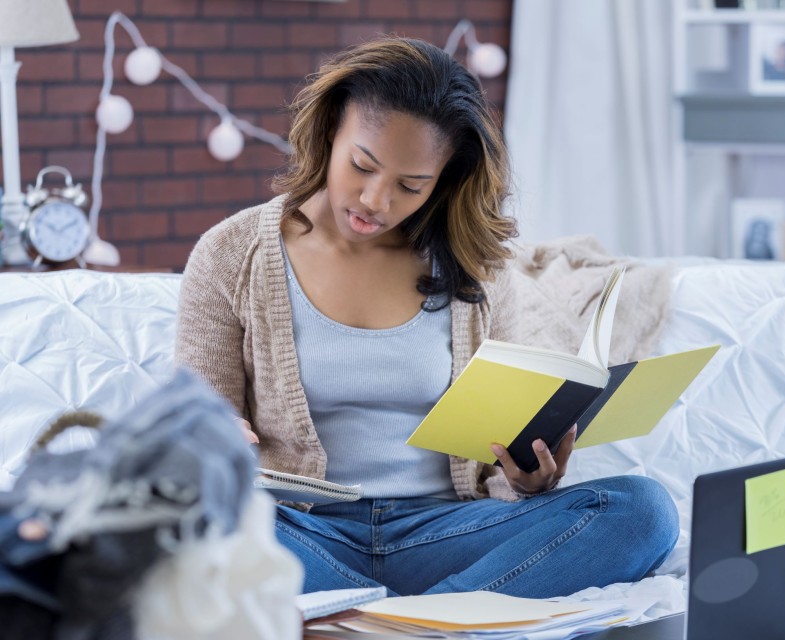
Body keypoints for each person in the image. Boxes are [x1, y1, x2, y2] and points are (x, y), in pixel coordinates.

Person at [175, 36, 679, 598]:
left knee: (643, 511)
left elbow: (503, 450)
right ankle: (447, 617)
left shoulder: (477, 269)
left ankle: (377, 621)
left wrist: (528, 479)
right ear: (329, 133)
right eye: (361, 166)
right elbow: (196, 433)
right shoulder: (231, 253)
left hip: (442, 532)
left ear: (442, 180)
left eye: (410, 186)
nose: (375, 201)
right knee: (186, 524)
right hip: (301, 533)